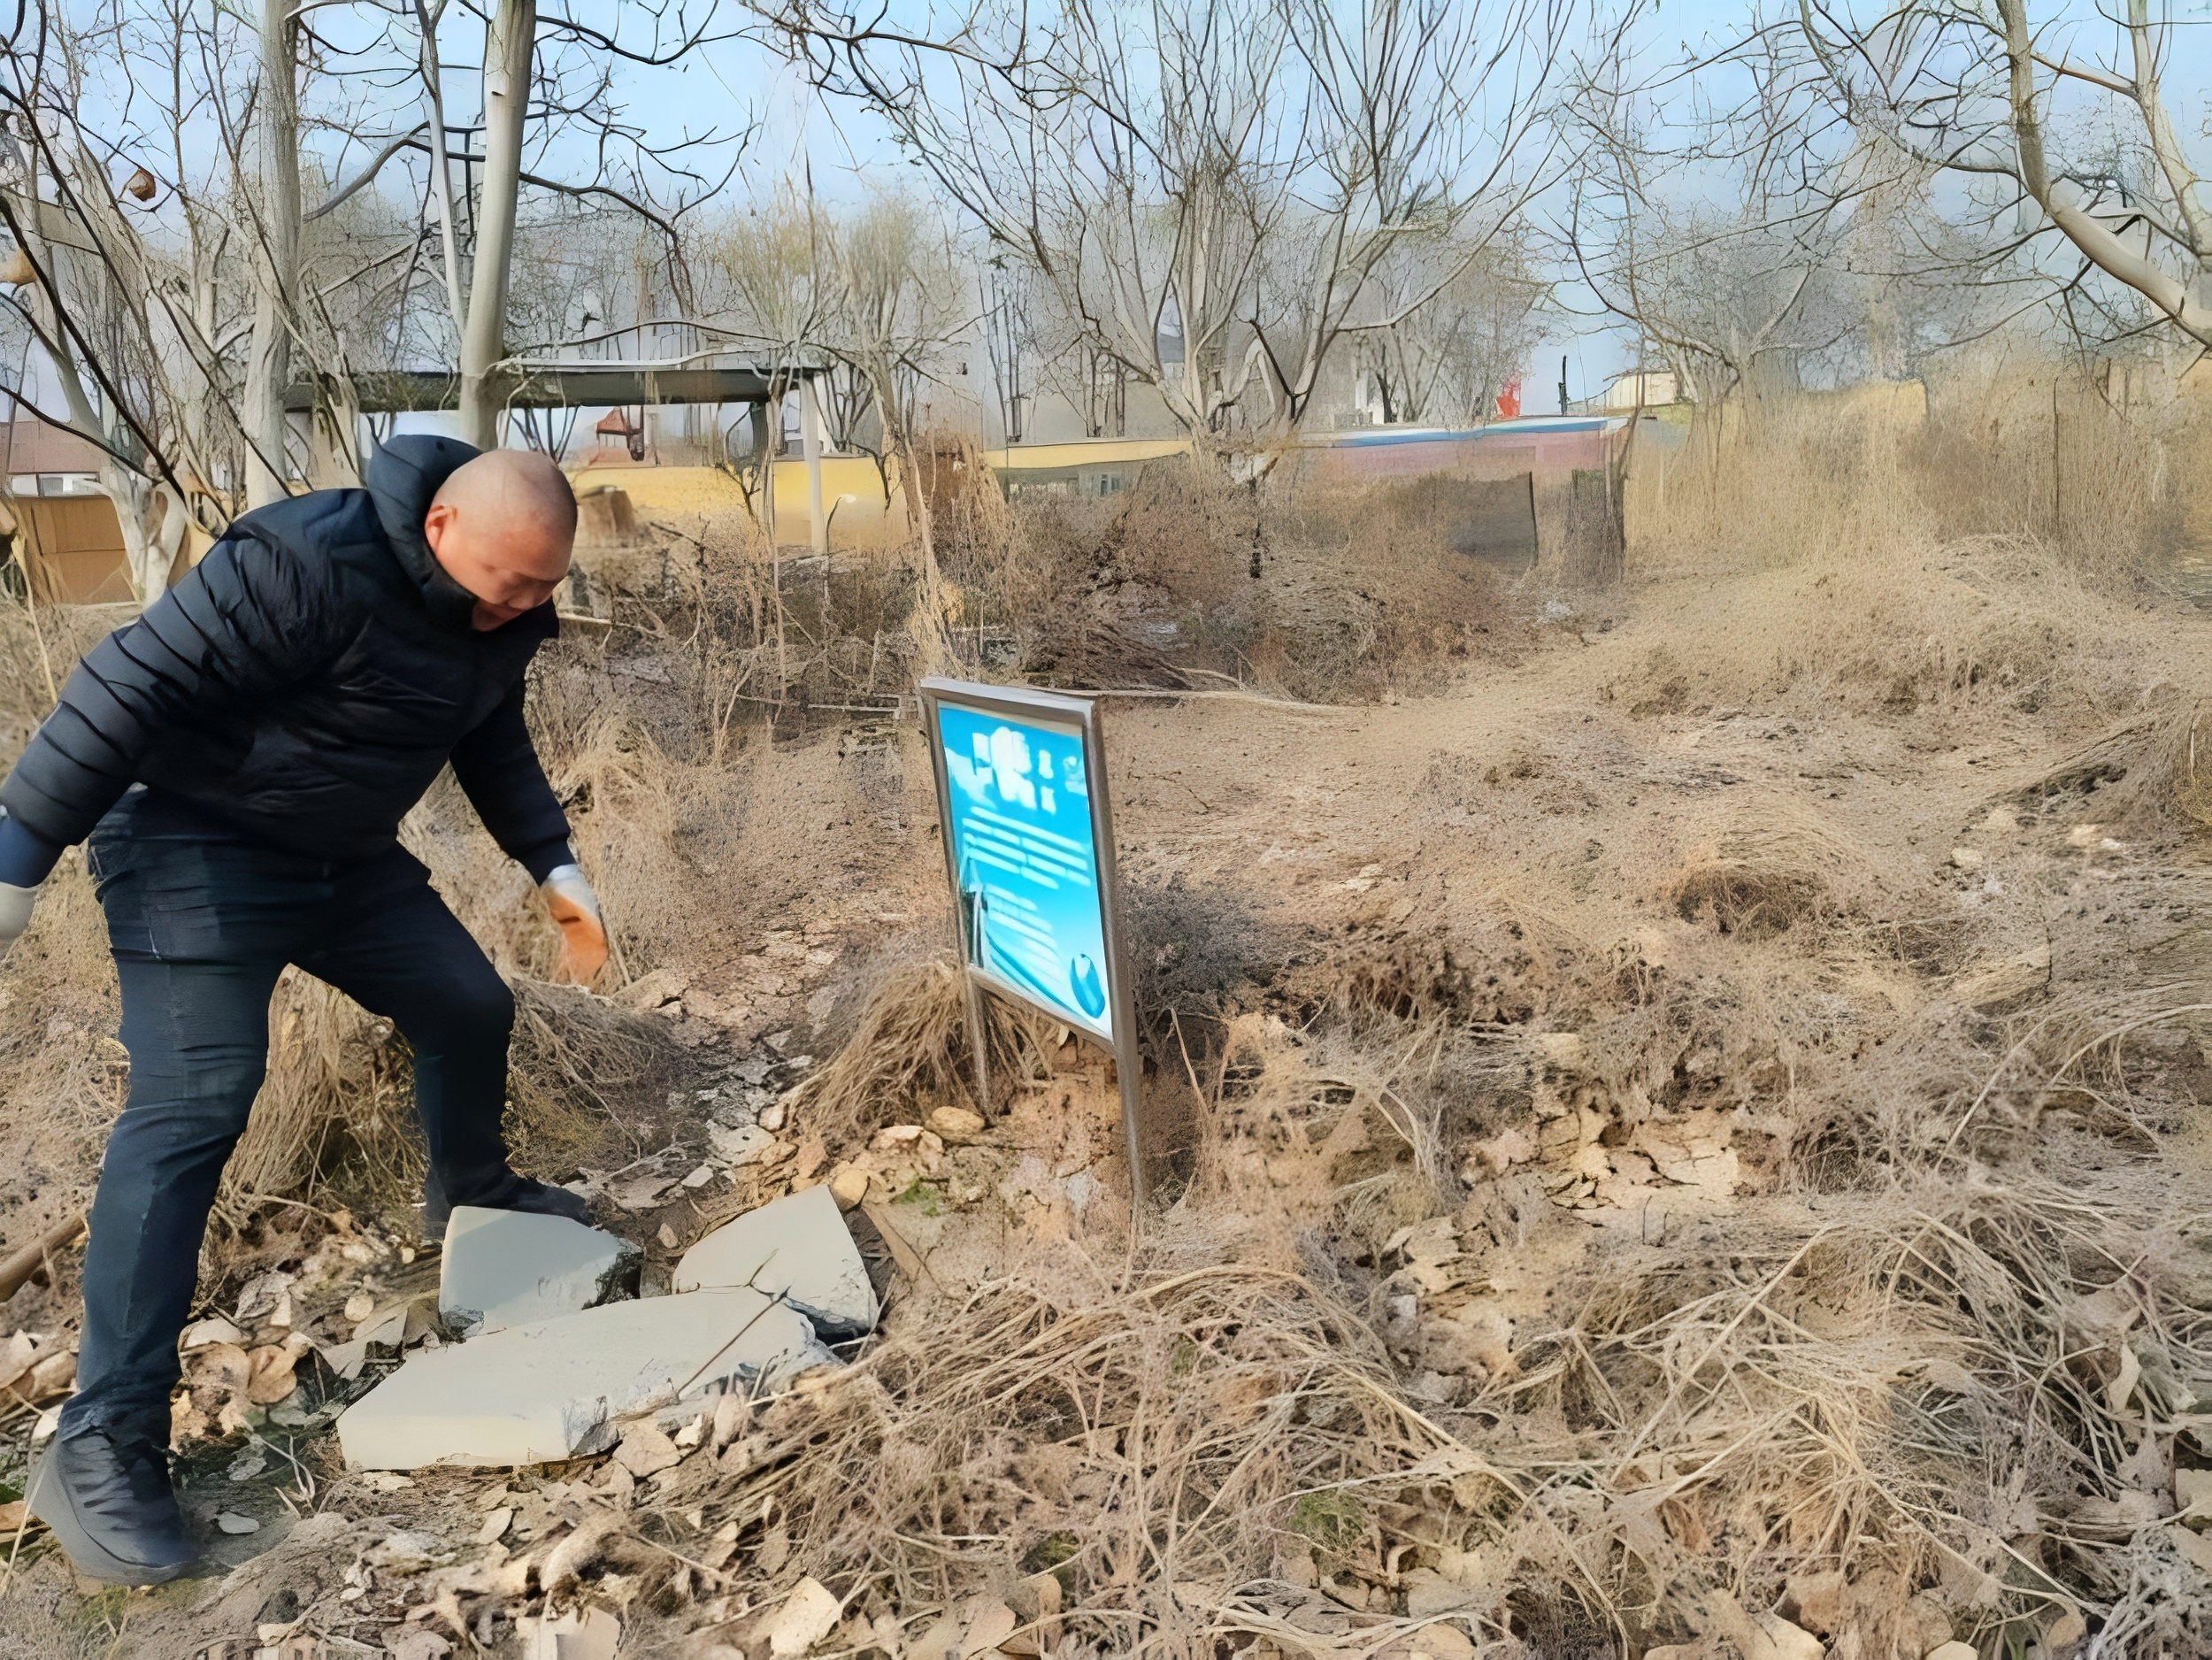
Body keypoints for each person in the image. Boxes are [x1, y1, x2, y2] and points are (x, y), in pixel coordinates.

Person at [0, 436, 609, 1585]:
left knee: (468, 1002)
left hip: (337, 855)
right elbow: (126, 683)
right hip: (189, 840)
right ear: (440, 531)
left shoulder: (498, 616)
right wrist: (21, 854)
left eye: (544, 588)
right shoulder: (300, 562)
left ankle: (470, 1195)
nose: (526, 608)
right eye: (512, 584)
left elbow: (488, 736)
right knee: (198, 1100)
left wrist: (556, 868)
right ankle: (103, 1438)